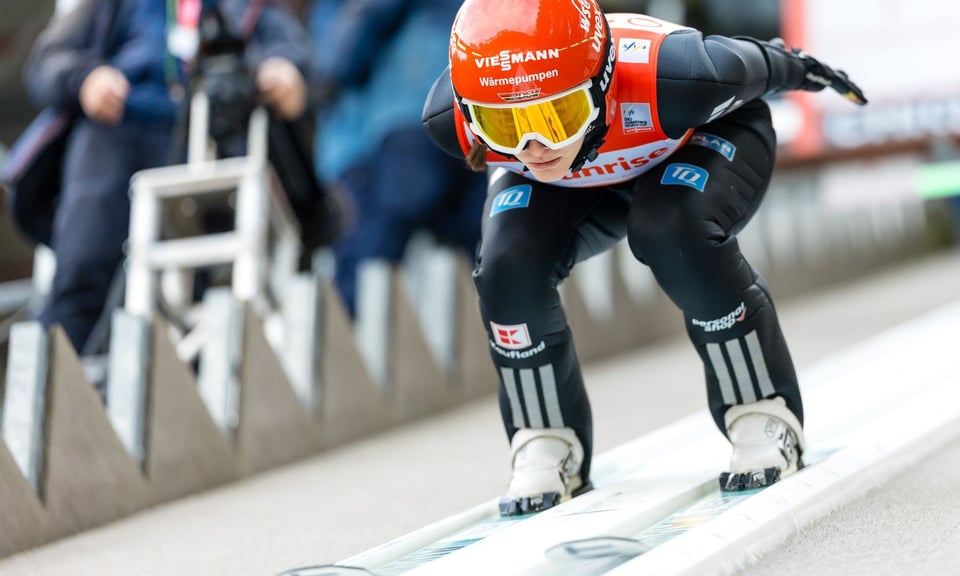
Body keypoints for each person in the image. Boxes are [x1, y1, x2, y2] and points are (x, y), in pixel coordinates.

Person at [422, 0, 867, 515]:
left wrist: (808, 71)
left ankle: (761, 407)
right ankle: (545, 436)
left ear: (602, 80)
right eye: (503, 125)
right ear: (472, 113)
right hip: (580, 178)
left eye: (555, 114)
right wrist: (545, 129)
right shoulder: (452, 119)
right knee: (505, 266)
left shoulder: (681, 75)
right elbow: (529, 149)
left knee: (671, 230)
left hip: (694, 140)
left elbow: (762, 62)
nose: (533, 144)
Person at [22, 0, 309, 355]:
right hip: (116, 131)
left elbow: (290, 54)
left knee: (202, 289)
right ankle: (58, 381)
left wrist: (284, 71)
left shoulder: (248, 8)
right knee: (84, 267)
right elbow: (46, 61)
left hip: (208, 144)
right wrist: (85, 78)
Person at [308, 0, 486, 316]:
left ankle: (356, 333)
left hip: (411, 108)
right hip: (453, 104)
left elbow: (343, 54)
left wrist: (328, 72)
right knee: (478, 230)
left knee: (378, 238)